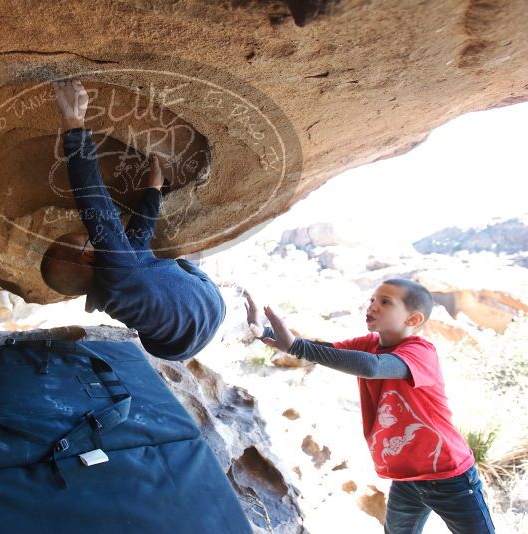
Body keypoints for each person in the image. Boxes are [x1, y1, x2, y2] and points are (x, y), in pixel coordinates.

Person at [247, 279, 495, 533]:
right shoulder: (369, 344)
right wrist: (265, 333)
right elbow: (325, 351)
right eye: (373, 300)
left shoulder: (420, 351)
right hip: (406, 478)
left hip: (449, 476)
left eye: (385, 302)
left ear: (413, 319)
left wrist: (296, 346)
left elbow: (372, 367)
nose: (373, 306)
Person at [40, 79, 226, 361]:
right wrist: (72, 121)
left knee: (151, 330)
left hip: (178, 349)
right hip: (212, 305)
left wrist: (152, 191)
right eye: (89, 240)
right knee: (182, 263)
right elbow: (93, 201)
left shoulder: (110, 292)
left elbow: (137, 240)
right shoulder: (117, 270)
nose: (94, 236)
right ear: (88, 258)